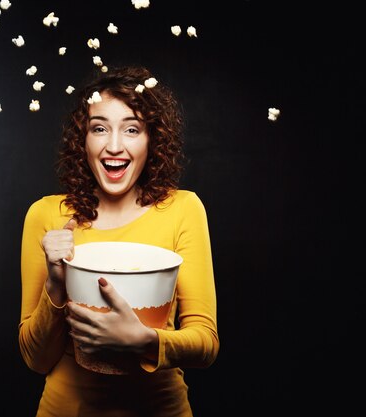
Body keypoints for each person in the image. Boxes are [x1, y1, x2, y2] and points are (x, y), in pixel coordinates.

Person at [18, 65, 219, 417]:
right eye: (99, 128)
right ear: (83, 139)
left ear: (151, 139)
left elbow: (205, 343)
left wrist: (144, 341)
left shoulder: (183, 209)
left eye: (131, 129)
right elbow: (36, 360)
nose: (114, 146)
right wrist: (55, 282)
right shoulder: (47, 216)